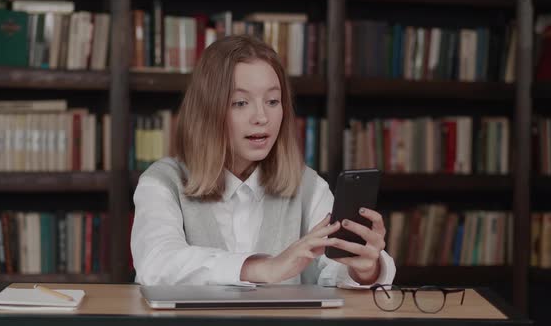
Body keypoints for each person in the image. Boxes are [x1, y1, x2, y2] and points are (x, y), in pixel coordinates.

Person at [131, 35, 396, 287]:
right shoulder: (162, 182)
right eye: (240, 103)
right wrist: (262, 268)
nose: (261, 117)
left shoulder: (307, 185)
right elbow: (156, 263)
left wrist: (363, 269)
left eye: (272, 101)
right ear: (207, 111)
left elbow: (335, 270)